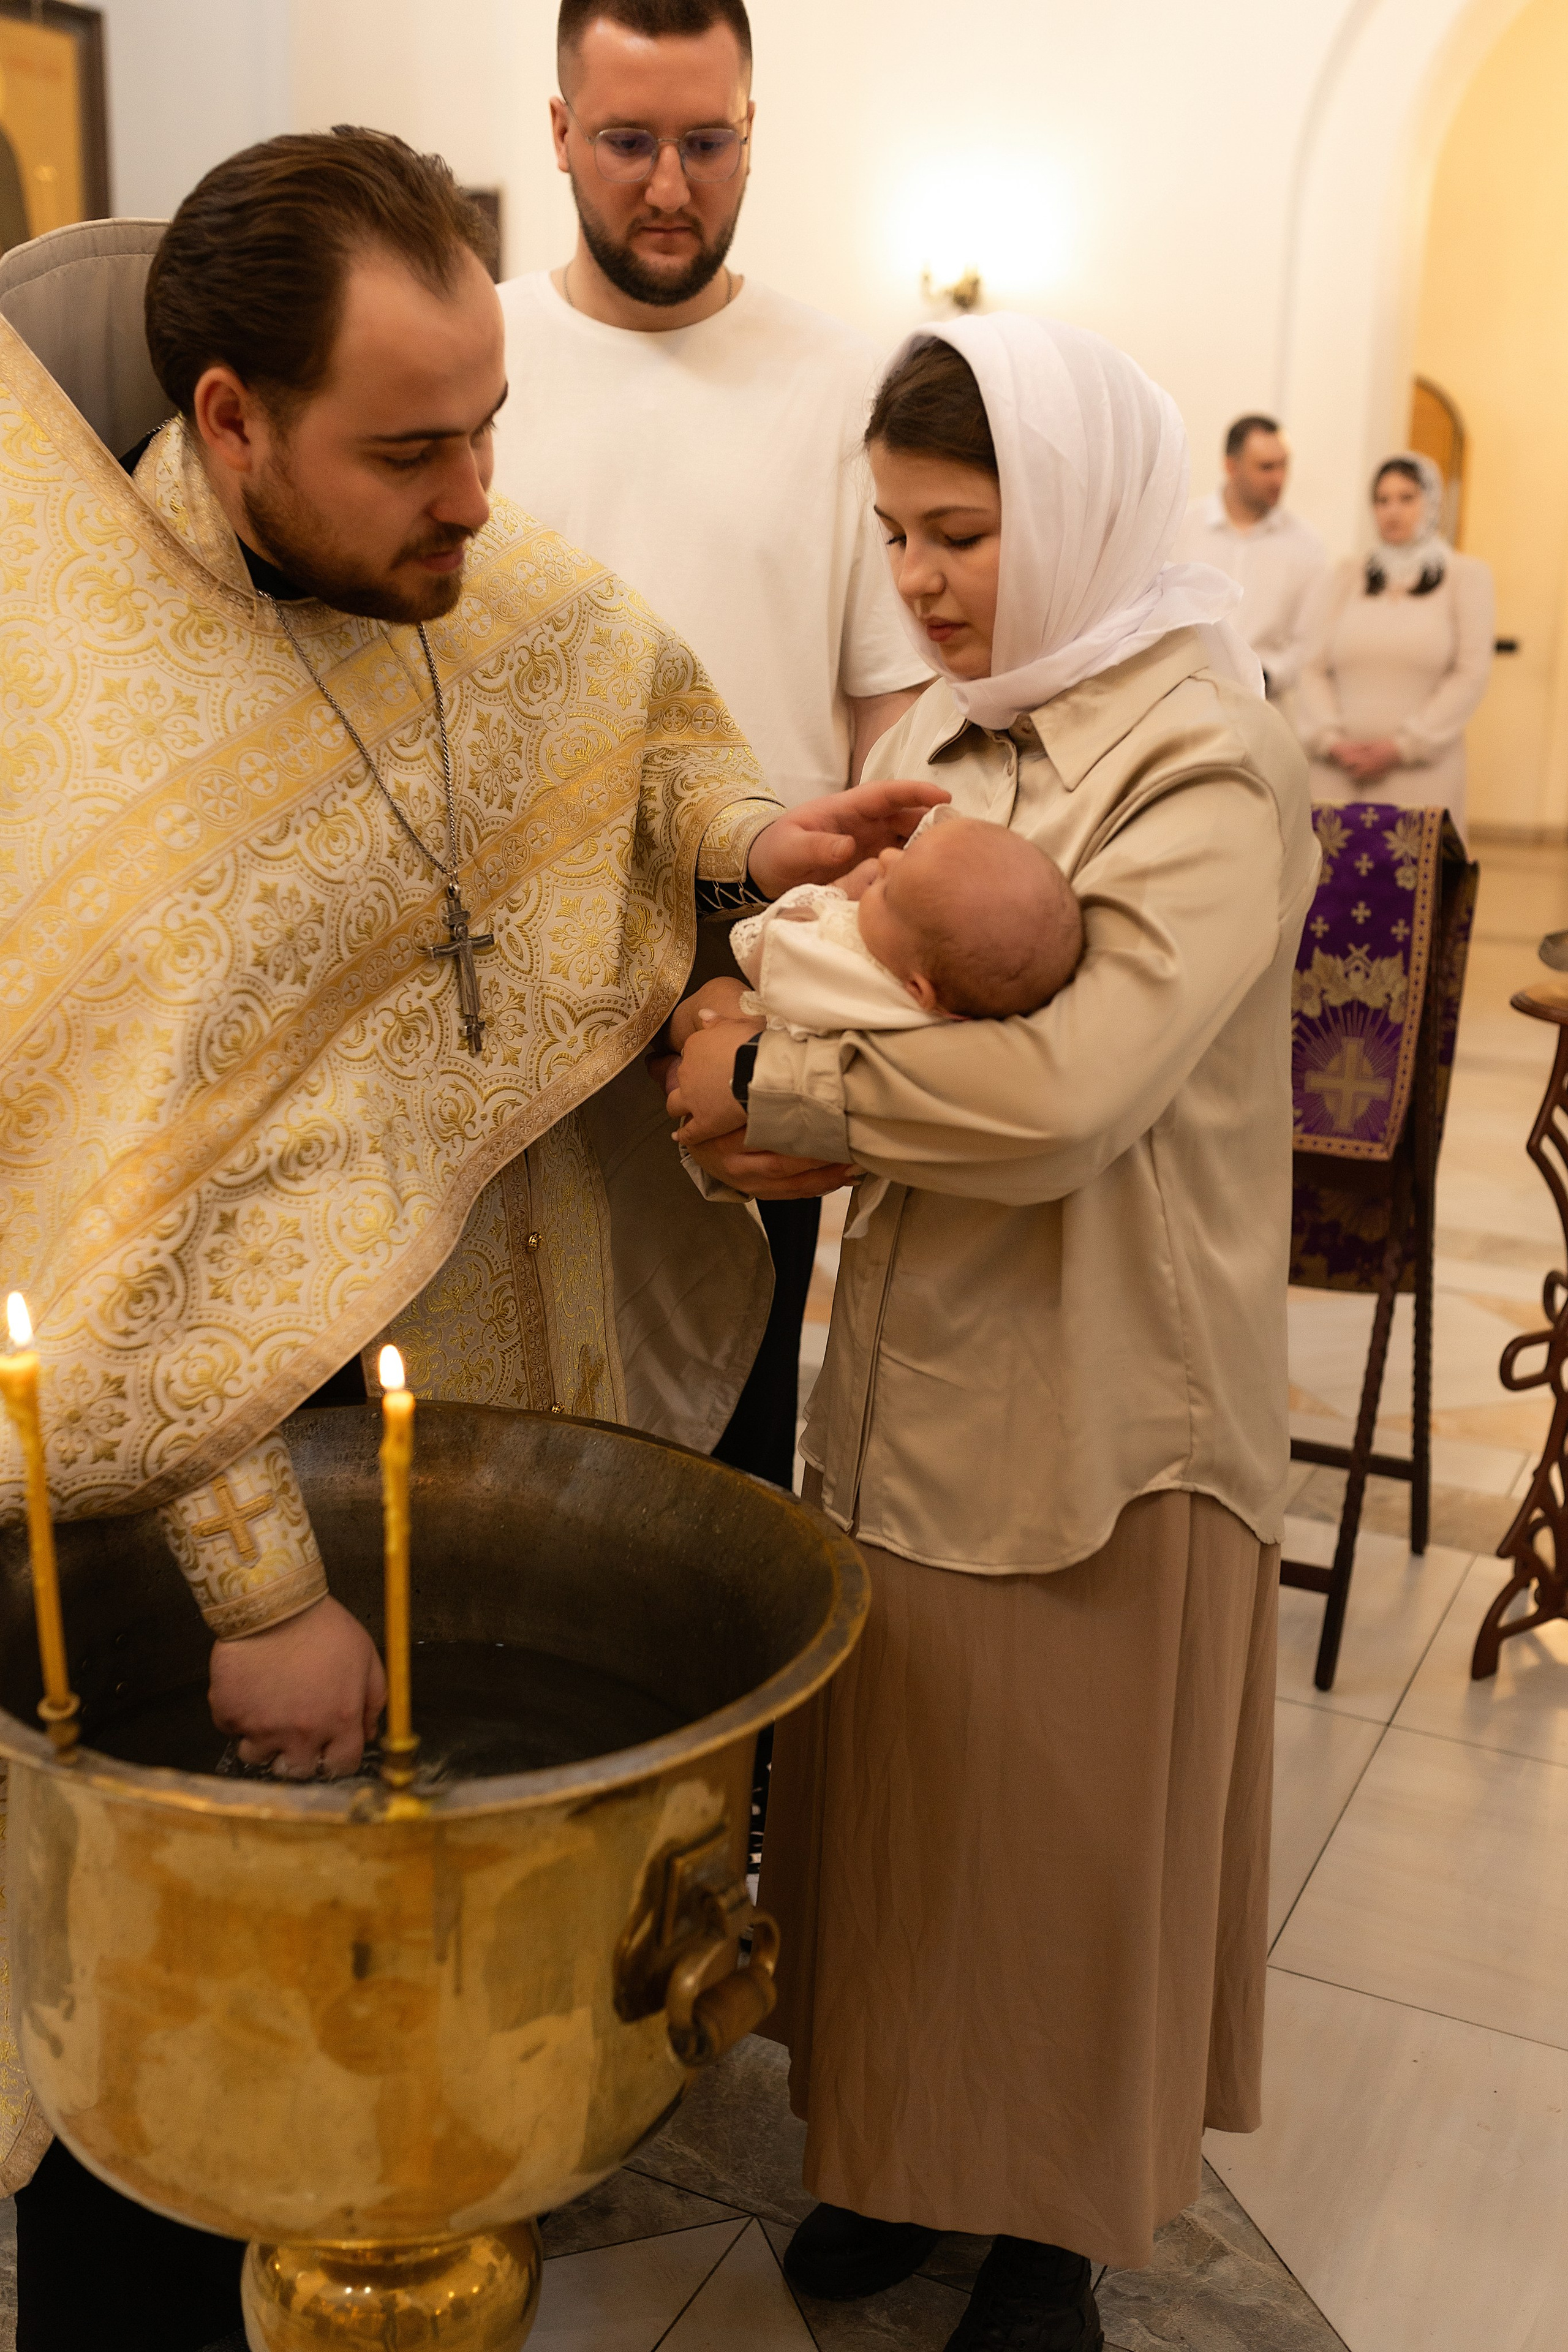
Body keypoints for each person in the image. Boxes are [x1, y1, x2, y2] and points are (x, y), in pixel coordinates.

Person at [0, 129, 937, 2350]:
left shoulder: (473, 574)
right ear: (231, 422)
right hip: (195, 1510)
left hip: (478, 1403)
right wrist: (258, 1587)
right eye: (412, 447)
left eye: (491, 425)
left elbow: (630, 728)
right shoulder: (66, 710)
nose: (473, 490)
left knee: (436, 2019)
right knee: (188, 2057)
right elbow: (69, 1226)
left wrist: (747, 831)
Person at [667, 316, 1317, 2351]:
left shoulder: (1209, 761)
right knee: (902, 1819)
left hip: (1110, 1396)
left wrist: (776, 1094)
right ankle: (889, 2152)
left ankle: (1039, 2234)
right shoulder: (946, 742)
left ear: (1086, 510)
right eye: (898, 537)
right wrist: (731, 1037)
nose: (928, 582)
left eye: (963, 532)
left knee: (1056, 1846)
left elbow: (1063, 1103)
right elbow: (824, 968)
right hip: (918, 1374)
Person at [491, 0, 929, 1510]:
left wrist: (815, 971)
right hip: (500, 958)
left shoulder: (848, 381)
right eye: (625, 141)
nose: (667, 185)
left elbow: (890, 723)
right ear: (558, 132)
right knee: (506, 1423)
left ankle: (723, 1750)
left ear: (753, 131)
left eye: (705, 141)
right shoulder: (473, 354)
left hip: (758, 951)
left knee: (727, 1417)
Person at [677, 811, 1084, 1234]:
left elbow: (769, 949)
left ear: (918, 989)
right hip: (812, 1123)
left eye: (888, 893)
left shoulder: (869, 980)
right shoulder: (958, 997)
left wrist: (837, 893)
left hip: (755, 1091)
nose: (885, 860)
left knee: (701, 1017)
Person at [1296, 450, 1494, 833]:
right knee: (1332, 887)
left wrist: (1402, 746)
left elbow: (1471, 673)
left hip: (1422, 774)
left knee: (1412, 887)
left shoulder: (1466, 577)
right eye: (1382, 500)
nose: (1393, 511)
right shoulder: (1347, 575)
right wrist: (1331, 740)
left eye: (1407, 498)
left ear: (1432, 503)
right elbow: (1312, 666)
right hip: (1338, 772)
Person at [1171, 412, 1327, 704]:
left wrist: (1263, 675)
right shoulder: (1182, 529)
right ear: (1231, 467)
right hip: (1185, 699)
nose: (1278, 479)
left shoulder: (1307, 546)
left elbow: (1309, 643)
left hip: (1264, 705)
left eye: (1283, 466)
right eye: (1266, 468)